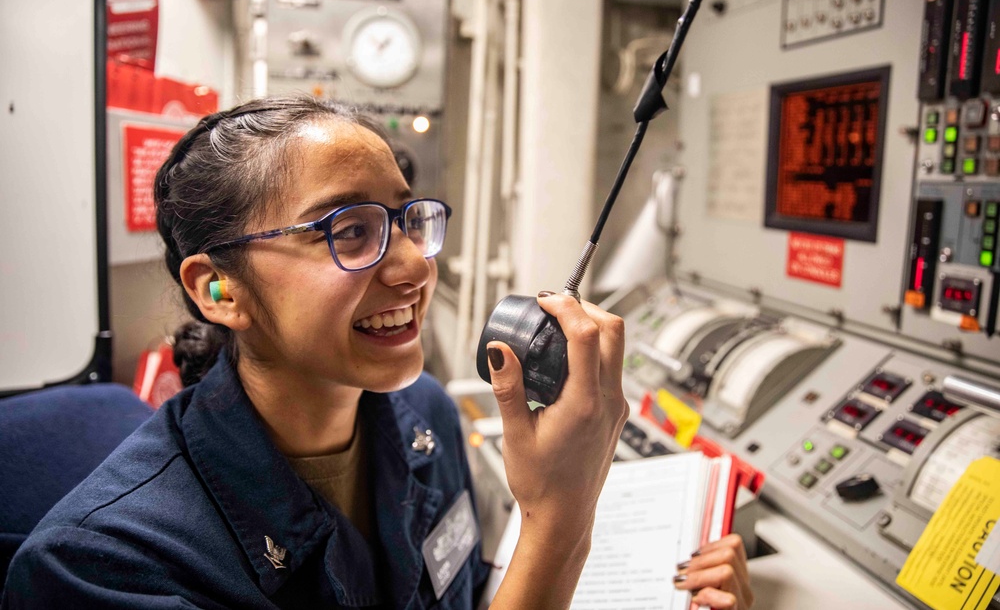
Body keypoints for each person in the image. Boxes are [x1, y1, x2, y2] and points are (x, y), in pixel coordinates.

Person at [2, 96, 752, 609]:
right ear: (221, 289)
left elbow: (452, 589)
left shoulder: (421, 409)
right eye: (349, 230)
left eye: (406, 220)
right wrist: (559, 523)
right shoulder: (99, 570)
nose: (414, 266)